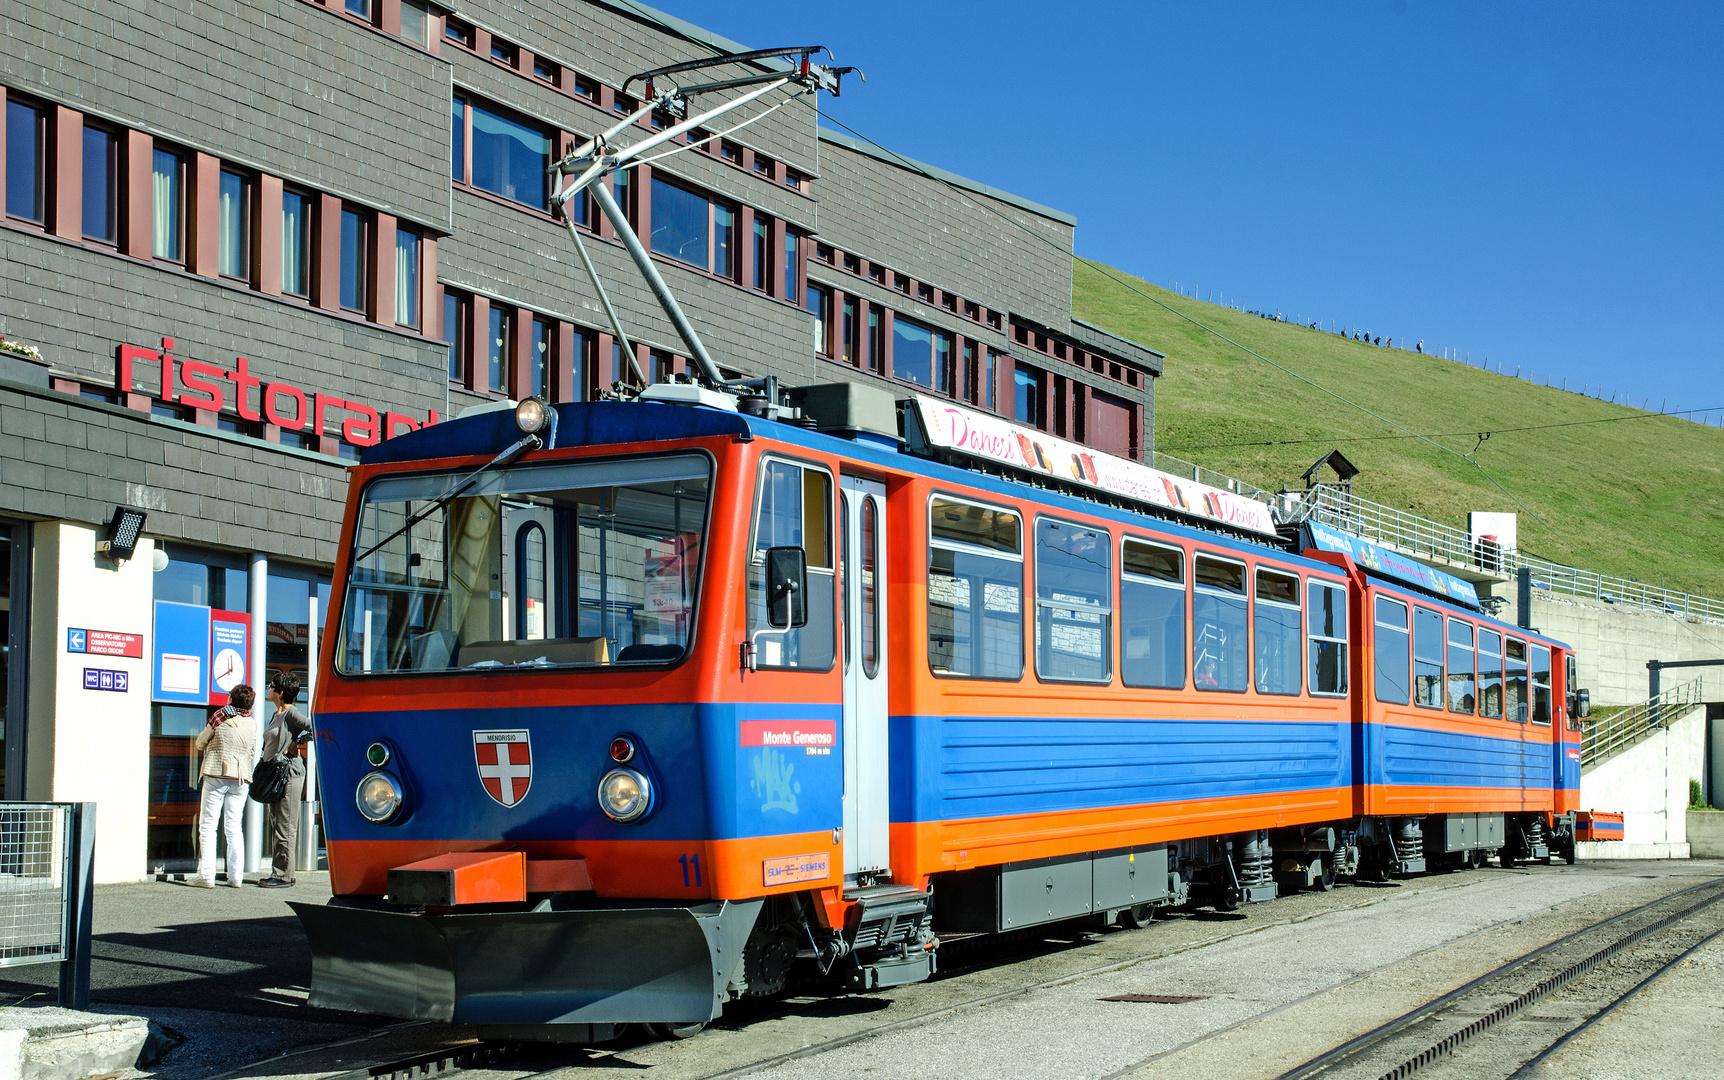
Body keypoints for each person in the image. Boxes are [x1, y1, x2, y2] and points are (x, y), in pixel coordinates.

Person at [193, 684, 258, 888]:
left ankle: (206, 877)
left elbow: (200, 743)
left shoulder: (220, 717)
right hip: (241, 778)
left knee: (209, 826)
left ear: (231, 699)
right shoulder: (253, 723)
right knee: (233, 827)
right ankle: (236, 877)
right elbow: (252, 751)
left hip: (217, 773)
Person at [258, 672, 314, 888]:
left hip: (289, 775)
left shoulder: (292, 714)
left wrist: (298, 742)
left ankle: (283, 875)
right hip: (275, 776)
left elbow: (317, 726)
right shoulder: (277, 715)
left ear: (280, 693)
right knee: (278, 825)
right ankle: (281, 872)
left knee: (285, 826)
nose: (268, 689)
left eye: (271, 686)